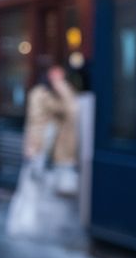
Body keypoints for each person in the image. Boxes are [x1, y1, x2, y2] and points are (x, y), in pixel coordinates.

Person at [6, 60, 80, 239]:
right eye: (56, 75)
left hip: (47, 152)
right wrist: (63, 89)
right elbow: (70, 110)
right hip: (41, 151)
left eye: (61, 76)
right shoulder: (43, 96)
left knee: (37, 191)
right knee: (33, 191)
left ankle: (31, 225)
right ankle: (27, 225)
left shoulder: (46, 95)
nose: (59, 78)